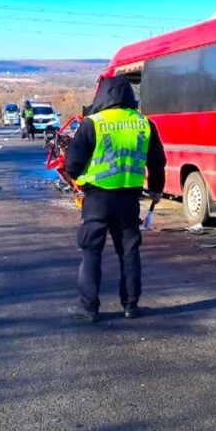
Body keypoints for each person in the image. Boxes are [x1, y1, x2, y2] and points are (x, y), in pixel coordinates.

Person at [64, 75, 166, 322]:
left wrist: (81, 180)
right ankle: (131, 306)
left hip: (97, 198)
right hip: (129, 198)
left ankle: (89, 308)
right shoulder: (145, 124)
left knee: (91, 251)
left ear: (103, 95)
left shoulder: (93, 123)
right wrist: (156, 188)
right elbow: (157, 161)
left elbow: (72, 163)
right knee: (129, 251)